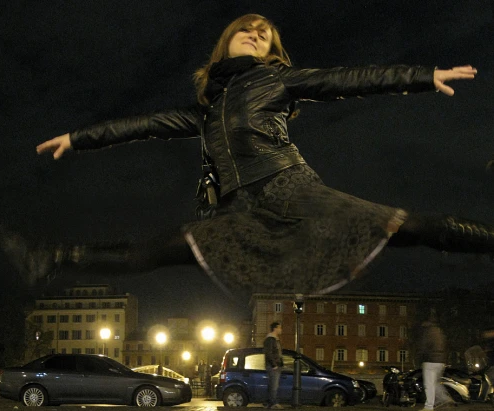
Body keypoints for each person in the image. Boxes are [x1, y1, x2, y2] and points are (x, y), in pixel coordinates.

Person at [27, 14, 492, 301]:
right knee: (154, 251)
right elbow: (142, 125)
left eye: (264, 34)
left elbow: (349, 79)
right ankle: (53, 257)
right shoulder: (206, 110)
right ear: (226, 42)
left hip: (292, 192)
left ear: (273, 51)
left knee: (402, 228)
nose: (255, 34)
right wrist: (79, 137)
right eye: (246, 30)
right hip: (237, 212)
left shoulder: (278, 80)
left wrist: (421, 75)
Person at [416, 314, 451, 411]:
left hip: (430, 360)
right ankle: (444, 398)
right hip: (441, 360)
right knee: (435, 383)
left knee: (429, 384)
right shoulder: (440, 332)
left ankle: (429, 407)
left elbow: (424, 346)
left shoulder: (428, 332)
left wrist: (420, 357)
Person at [263, 321, 283, 409]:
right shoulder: (270, 339)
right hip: (273, 366)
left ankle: (268, 402)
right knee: (274, 385)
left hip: (276, 364)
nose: (281, 330)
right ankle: (273, 403)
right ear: (275, 328)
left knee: (272, 384)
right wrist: (274, 364)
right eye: (279, 328)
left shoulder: (274, 339)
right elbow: (269, 353)